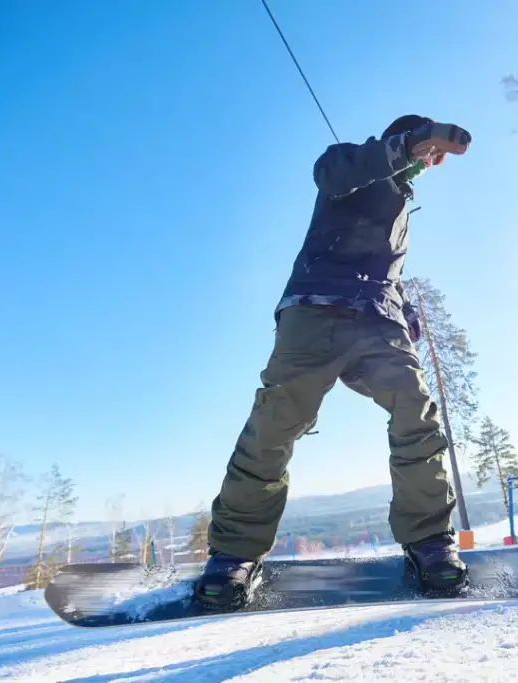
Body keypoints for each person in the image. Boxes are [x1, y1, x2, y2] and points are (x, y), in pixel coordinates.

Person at [194, 115, 473, 611]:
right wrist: (407, 145)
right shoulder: (353, 164)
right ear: (406, 141)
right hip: (313, 309)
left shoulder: (403, 207)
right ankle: (234, 555)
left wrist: (404, 310)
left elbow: (385, 270)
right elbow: (329, 174)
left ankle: (429, 543)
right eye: (430, 153)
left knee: (416, 410)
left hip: (376, 321)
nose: (430, 163)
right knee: (277, 421)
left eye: (432, 158)